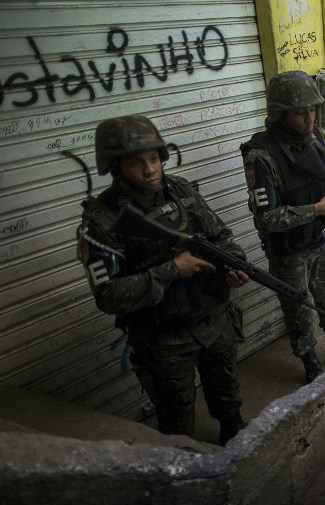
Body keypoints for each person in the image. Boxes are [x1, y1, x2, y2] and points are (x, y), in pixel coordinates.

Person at [77, 114, 249, 446]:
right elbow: (108, 296)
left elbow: (222, 236)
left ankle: (234, 438)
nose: (150, 169)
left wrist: (233, 265)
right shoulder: (102, 222)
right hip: (163, 339)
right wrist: (171, 269)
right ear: (115, 167)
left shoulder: (182, 191)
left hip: (213, 320)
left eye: (154, 158)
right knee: (176, 422)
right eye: (136, 162)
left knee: (228, 398)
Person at [241, 70, 325, 384]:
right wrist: (315, 210)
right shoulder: (261, 156)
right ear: (280, 115)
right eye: (300, 113)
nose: (309, 118)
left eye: (312, 109)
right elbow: (267, 219)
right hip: (289, 252)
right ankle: (310, 361)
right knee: (298, 311)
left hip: (320, 241)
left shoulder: (316, 139)